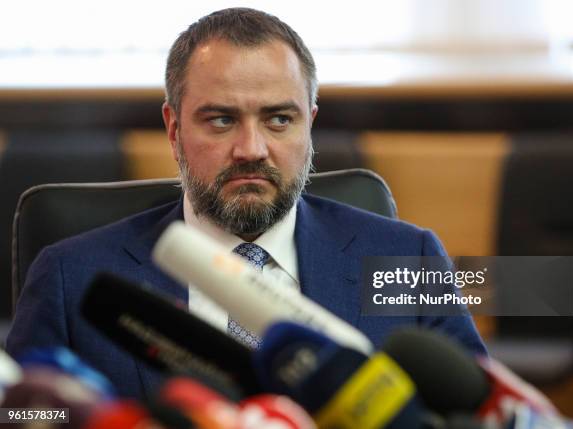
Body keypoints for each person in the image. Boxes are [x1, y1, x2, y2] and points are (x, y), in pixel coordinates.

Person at [7, 8, 486, 399]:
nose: (251, 148)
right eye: (220, 120)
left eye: (279, 119)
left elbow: (478, 412)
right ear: (174, 129)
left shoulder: (408, 258)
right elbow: (21, 417)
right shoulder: (71, 277)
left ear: (309, 124)